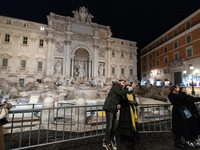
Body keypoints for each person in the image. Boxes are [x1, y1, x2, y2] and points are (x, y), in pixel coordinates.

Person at [103, 80, 137, 150]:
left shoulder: (119, 90)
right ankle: (106, 141)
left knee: (115, 125)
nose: (123, 84)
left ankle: (110, 138)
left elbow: (118, 98)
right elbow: (120, 92)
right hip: (109, 108)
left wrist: (118, 104)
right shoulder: (116, 86)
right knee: (109, 125)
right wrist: (131, 88)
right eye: (122, 83)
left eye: (124, 83)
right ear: (119, 83)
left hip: (113, 109)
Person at [118, 85, 138, 149]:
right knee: (125, 126)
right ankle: (125, 139)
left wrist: (135, 102)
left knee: (131, 126)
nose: (129, 89)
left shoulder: (133, 95)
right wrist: (129, 102)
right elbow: (122, 102)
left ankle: (130, 139)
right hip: (125, 113)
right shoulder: (122, 95)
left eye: (129, 88)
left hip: (132, 112)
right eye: (127, 88)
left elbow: (136, 103)